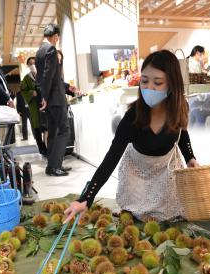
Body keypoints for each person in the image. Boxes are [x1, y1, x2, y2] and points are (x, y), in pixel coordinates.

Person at [64, 50, 199, 223]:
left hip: (167, 173)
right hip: (136, 176)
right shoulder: (133, 117)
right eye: (144, 81)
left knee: (170, 219)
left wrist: (190, 158)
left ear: (172, 85)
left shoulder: (180, 108)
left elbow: (182, 132)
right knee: (137, 220)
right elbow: (111, 159)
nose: (149, 88)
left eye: (157, 83)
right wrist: (86, 198)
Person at [35, 23, 71, 176]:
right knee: (64, 130)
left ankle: (52, 165)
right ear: (55, 36)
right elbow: (48, 75)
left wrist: (44, 96)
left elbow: (45, 77)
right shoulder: (51, 49)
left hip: (49, 99)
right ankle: (55, 166)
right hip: (55, 98)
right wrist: (45, 96)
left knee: (53, 132)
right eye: (58, 37)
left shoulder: (38, 52)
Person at [20, 57, 47, 155]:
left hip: (45, 104)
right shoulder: (27, 78)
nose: (33, 65)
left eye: (34, 63)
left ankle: (49, 147)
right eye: (30, 63)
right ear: (28, 66)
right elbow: (23, 90)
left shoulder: (43, 75)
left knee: (47, 127)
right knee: (37, 128)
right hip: (34, 106)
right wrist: (32, 92)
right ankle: (42, 149)